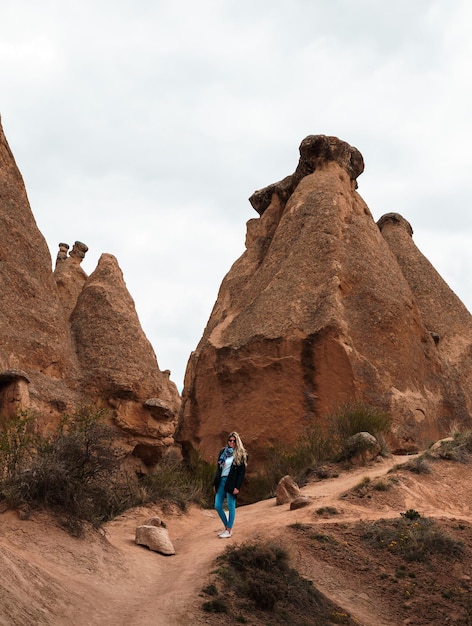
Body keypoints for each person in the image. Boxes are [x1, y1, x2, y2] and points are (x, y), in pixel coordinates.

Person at [213, 431, 248, 538]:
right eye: (230, 440)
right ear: (227, 441)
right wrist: (215, 483)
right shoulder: (223, 452)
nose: (232, 442)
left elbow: (241, 473)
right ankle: (227, 527)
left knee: (231, 505)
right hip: (221, 480)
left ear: (237, 441)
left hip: (231, 481)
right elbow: (218, 470)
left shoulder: (241, 454)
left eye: (234, 440)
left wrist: (237, 487)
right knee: (218, 505)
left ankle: (228, 530)